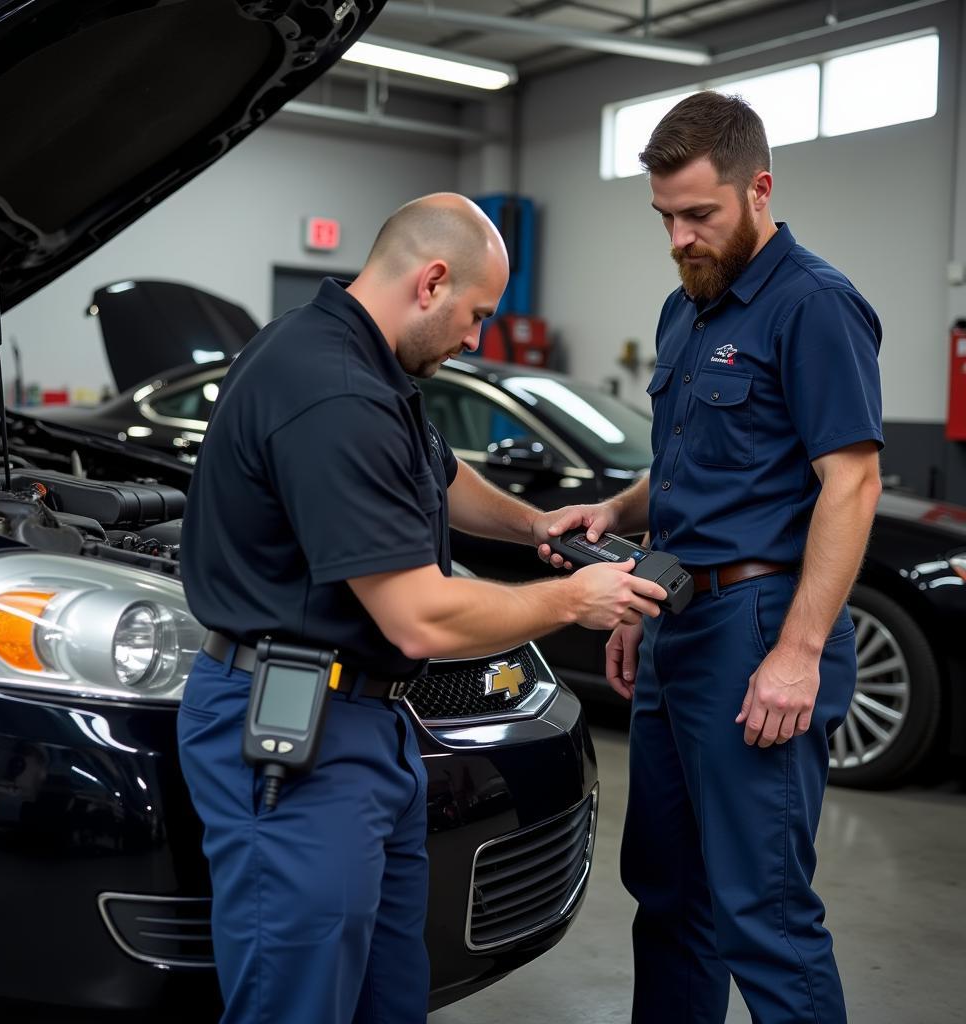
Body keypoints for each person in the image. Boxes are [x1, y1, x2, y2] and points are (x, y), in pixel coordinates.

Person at [176, 192, 667, 1024]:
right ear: (432, 281)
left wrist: (534, 524)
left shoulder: (366, 363)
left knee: (388, 993)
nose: (476, 338)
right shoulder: (330, 388)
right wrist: (572, 598)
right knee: (296, 1005)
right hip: (299, 740)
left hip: (369, 730)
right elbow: (419, 617)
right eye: (476, 315)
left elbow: (435, 474)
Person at [544, 93, 883, 1022]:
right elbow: (689, 469)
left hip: (759, 631)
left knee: (763, 915)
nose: (680, 238)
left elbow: (851, 485)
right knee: (667, 896)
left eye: (701, 214)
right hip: (678, 624)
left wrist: (800, 653)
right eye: (666, 218)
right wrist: (618, 523)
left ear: (759, 189)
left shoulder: (814, 305)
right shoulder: (683, 312)